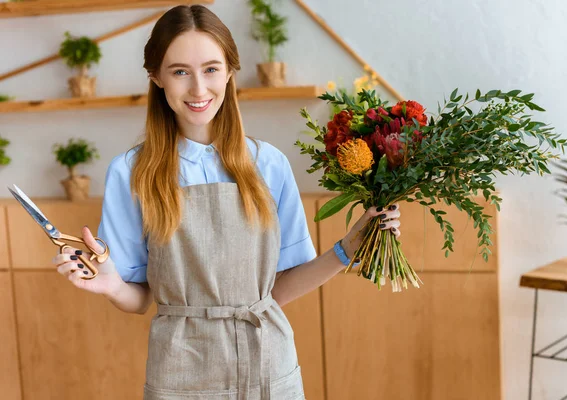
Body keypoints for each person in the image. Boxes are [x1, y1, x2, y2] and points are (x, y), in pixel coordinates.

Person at [51, 5, 401, 400]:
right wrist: (113, 286)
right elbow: (140, 298)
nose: (199, 89)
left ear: (231, 71)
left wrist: (348, 248)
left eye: (212, 69)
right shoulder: (131, 172)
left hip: (267, 361)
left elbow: (278, 290)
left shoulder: (268, 164)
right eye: (180, 71)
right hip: (180, 368)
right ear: (156, 77)